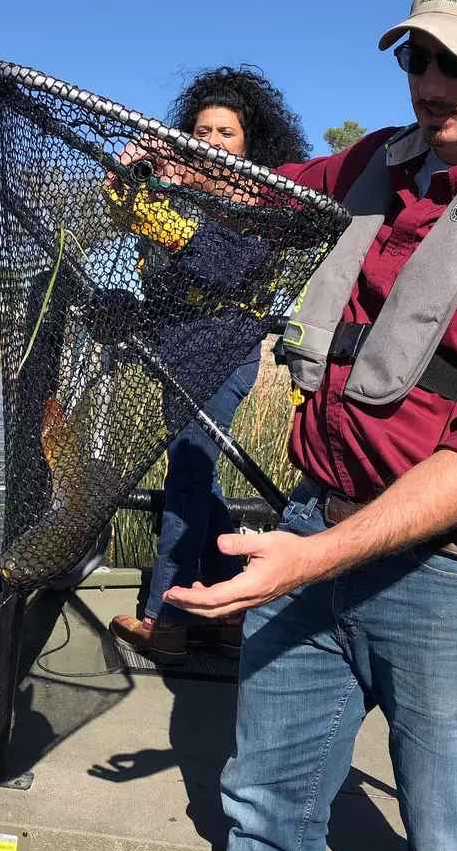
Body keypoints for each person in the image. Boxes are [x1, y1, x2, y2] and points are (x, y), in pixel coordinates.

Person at [164, 0, 457, 851]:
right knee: (261, 811)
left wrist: (309, 560)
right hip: (313, 528)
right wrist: (170, 174)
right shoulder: (375, 162)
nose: (432, 85)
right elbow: (263, 194)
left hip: (454, 580)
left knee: (448, 837)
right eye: (416, 57)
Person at [109, 67, 310, 663]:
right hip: (179, 348)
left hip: (227, 351)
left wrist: (164, 195)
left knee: (187, 480)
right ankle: (224, 615)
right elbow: (123, 208)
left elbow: (216, 260)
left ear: (251, 144)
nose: (214, 141)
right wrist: (132, 165)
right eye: (202, 131)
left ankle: (165, 619)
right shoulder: (179, 196)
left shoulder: (262, 204)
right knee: (201, 475)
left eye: (227, 132)